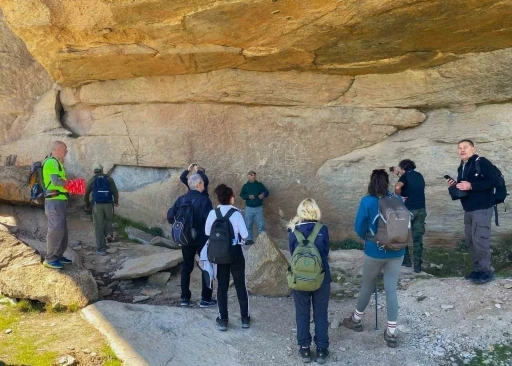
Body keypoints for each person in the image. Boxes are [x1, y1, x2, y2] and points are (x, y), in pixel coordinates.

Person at [343, 169, 405, 348]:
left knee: (367, 286)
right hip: (397, 251)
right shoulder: (397, 199)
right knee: (391, 289)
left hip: (374, 250)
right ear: (387, 183)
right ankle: (391, 332)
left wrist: (366, 238)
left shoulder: (367, 201)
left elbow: (359, 226)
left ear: (371, 182)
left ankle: (356, 320)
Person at [446, 139, 495, 284]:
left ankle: (486, 271)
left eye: (465, 147)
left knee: (480, 240)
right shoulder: (462, 167)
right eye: (459, 148)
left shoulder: (482, 162)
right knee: (470, 241)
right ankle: (478, 269)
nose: (462, 150)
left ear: (473, 148)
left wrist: (471, 185)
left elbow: (493, 182)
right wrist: (456, 185)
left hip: (482, 208)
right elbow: (464, 187)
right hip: (469, 209)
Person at [288, 198, 330, 364]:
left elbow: (293, 253)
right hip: (321, 277)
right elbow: (325, 252)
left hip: (299, 278)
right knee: (320, 313)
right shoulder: (323, 229)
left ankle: (304, 349)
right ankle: (321, 349)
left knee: (302, 312)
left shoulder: (293, 230)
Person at [204, 184, 249, 331]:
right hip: (235, 252)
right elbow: (246, 235)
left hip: (219, 255)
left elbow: (206, 232)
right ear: (230, 198)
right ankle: (244, 318)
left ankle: (223, 319)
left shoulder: (213, 214)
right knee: (240, 285)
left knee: (222, 286)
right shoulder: (236, 214)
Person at [168, 173, 215, 307]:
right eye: (203, 183)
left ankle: (184, 298)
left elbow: (171, 217)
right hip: (202, 240)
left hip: (185, 239)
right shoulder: (204, 200)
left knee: (186, 267)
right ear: (199, 184)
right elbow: (210, 222)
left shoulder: (181, 199)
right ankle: (205, 299)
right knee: (206, 267)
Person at [393, 159, 426, 273]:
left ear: (403, 168)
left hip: (408, 211)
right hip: (421, 209)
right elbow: (411, 183)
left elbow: (398, 187)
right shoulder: (419, 175)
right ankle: (417, 266)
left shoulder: (404, 177)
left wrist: (398, 197)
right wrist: (399, 174)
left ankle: (406, 261)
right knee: (417, 239)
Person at [42, 141, 71, 269]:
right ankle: (50, 259)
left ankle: (58, 255)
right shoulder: (52, 162)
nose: (66, 151)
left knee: (62, 230)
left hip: (59, 200)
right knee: (55, 229)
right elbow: (55, 181)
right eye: (65, 148)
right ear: (58, 149)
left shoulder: (57, 163)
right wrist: (73, 185)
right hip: (54, 200)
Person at [84, 163, 119, 256]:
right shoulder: (109, 179)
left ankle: (101, 249)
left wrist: (87, 204)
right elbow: (115, 191)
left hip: (97, 205)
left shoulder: (92, 180)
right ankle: (108, 234)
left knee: (98, 226)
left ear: (94, 171)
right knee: (108, 220)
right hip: (108, 204)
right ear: (102, 170)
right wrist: (116, 201)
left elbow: (86, 194)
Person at [239, 171, 269, 245]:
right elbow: (242, 195)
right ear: (248, 176)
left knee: (261, 224)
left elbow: (267, 192)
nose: (254, 177)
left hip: (259, 207)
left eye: (254, 175)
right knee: (248, 224)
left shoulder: (259, 185)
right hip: (249, 208)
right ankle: (249, 239)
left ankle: (261, 240)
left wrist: (263, 194)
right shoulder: (245, 186)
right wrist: (248, 196)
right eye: (252, 175)